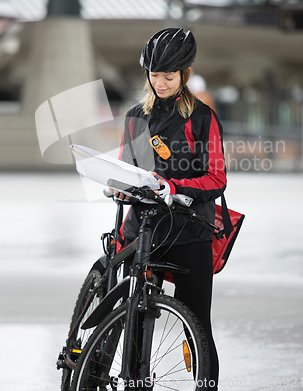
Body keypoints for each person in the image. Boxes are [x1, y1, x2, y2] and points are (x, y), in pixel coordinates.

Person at [114, 27, 227, 390]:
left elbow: (216, 179)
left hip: (190, 231)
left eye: (168, 76)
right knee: (136, 319)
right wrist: (119, 186)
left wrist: (174, 186)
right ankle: (135, 383)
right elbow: (126, 168)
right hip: (144, 231)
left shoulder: (202, 117)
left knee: (196, 323)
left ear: (184, 75)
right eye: (154, 75)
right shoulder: (136, 116)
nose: (160, 82)